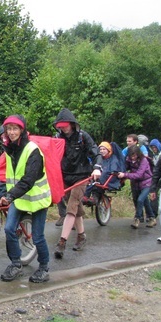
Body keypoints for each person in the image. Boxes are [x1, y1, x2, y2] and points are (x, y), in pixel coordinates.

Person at [0, 115, 51, 283]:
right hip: (19, 199)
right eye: (8, 129)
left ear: (22, 130)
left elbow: (28, 179)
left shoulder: (32, 150)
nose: (11, 132)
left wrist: (10, 195)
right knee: (9, 229)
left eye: (15, 129)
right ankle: (15, 264)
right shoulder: (9, 149)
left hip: (36, 198)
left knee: (38, 236)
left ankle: (44, 268)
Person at [53, 108, 102, 258]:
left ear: (72, 124)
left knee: (71, 207)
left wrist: (97, 168)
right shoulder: (57, 138)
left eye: (65, 125)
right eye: (60, 126)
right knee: (76, 209)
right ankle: (82, 236)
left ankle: (62, 242)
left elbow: (96, 152)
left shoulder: (83, 136)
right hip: (65, 177)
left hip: (81, 176)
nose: (63, 128)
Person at [118, 144, 156, 229]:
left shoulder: (144, 161)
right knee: (145, 201)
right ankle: (152, 218)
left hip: (147, 182)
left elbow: (139, 174)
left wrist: (125, 174)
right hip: (136, 183)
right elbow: (125, 168)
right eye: (131, 155)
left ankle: (137, 218)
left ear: (138, 154)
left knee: (140, 200)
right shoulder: (128, 159)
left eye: (134, 155)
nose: (133, 158)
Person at [83, 141, 123, 205]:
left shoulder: (113, 159)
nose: (101, 151)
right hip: (98, 178)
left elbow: (114, 169)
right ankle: (86, 197)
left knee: (97, 181)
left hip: (110, 179)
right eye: (100, 149)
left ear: (109, 150)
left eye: (104, 149)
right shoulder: (98, 159)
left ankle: (91, 197)